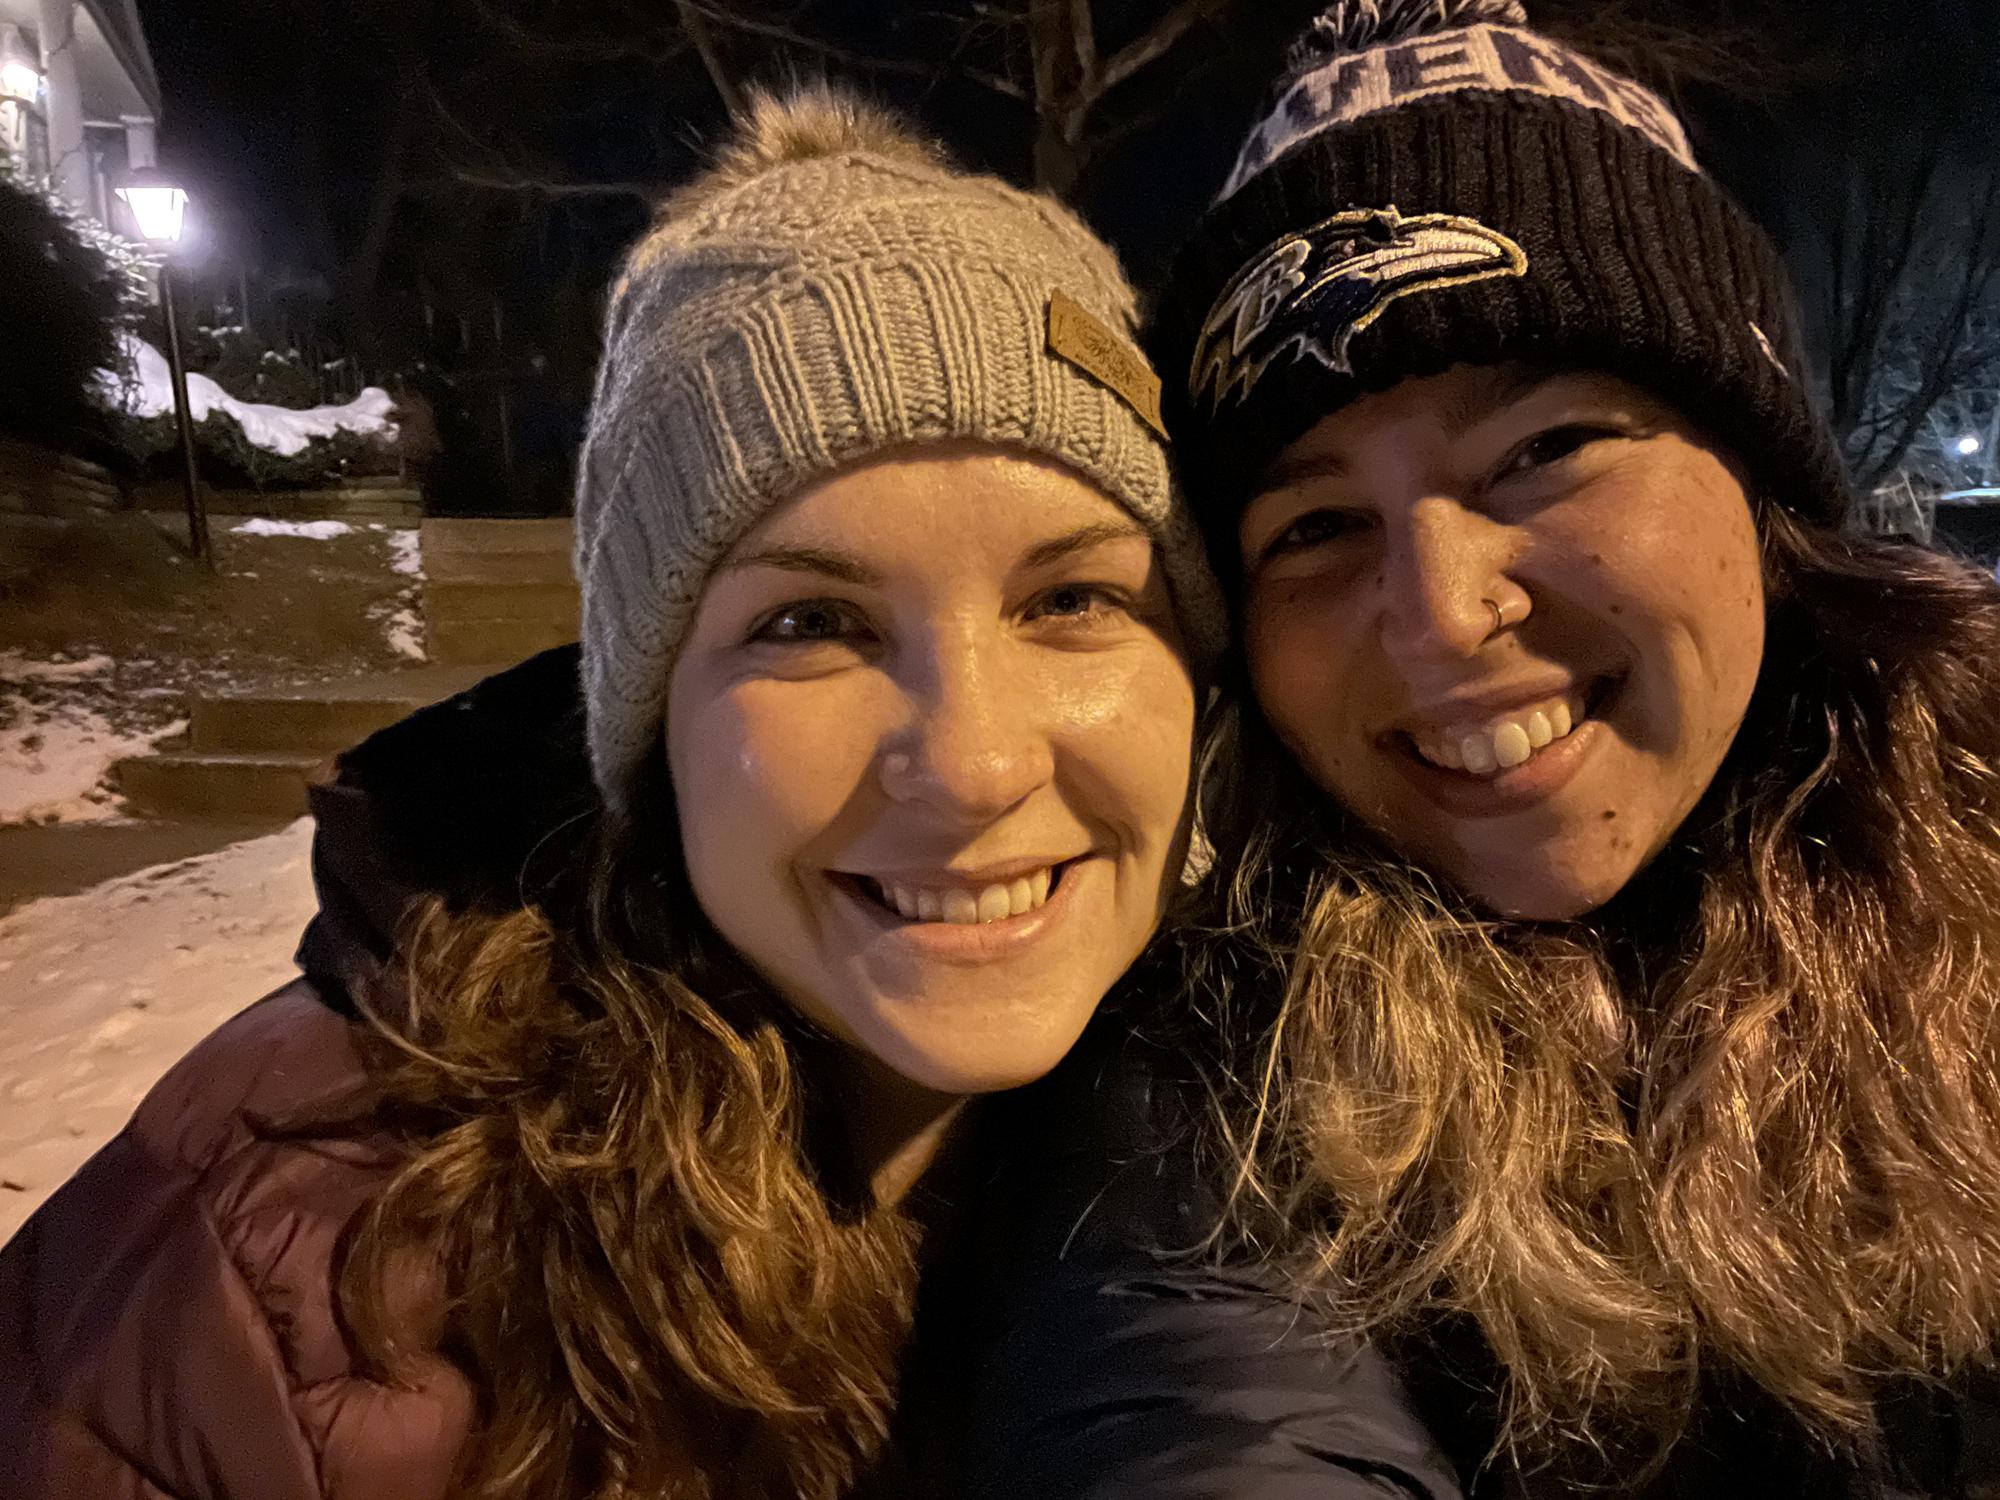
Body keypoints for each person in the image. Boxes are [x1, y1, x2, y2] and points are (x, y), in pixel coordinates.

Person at [0, 85, 1225, 1500]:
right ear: (652, 728)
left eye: (1072, 599)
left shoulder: (1319, 1135)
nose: (974, 762)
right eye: (811, 623)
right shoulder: (258, 1288)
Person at [967, 1, 2000, 1494]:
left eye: (1544, 451)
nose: (1442, 616)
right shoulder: (1223, 1068)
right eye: (1317, 526)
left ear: (1760, 475)